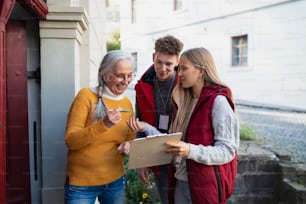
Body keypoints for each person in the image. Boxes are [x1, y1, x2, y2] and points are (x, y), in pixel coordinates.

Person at [128, 47, 239, 204]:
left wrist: (189, 150)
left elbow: (228, 151)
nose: (178, 74)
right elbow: (173, 142)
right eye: (178, 68)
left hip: (205, 188)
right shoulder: (184, 101)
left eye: (183, 69)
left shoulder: (218, 102)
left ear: (201, 71)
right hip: (180, 183)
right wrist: (146, 127)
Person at [64, 50, 136, 204]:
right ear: (106, 74)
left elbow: (129, 138)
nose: (126, 81)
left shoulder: (127, 104)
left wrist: (128, 145)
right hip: (82, 184)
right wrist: (104, 125)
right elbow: (71, 141)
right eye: (120, 75)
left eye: (129, 75)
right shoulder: (86, 96)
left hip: (115, 181)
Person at [134, 35, 184, 204]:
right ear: (153, 58)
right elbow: (139, 124)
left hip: (184, 154)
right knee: (166, 200)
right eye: (159, 62)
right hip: (158, 154)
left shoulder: (186, 85)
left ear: (177, 61)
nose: (163, 68)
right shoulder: (143, 85)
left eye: (169, 64)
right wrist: (142, 160)